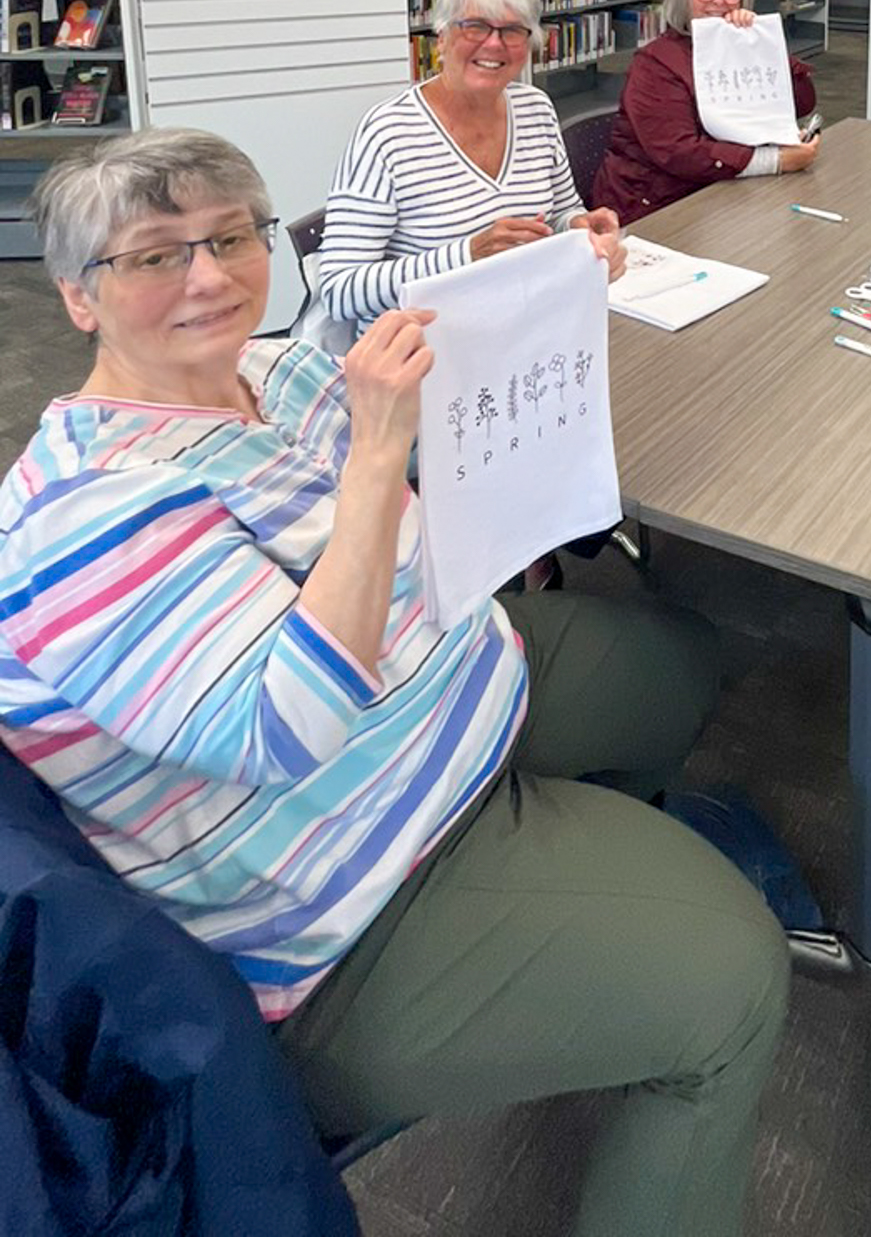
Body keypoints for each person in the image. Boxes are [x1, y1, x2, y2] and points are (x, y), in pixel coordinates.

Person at [0, 131, 789, 1237]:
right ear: (81, 298)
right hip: (345, 907)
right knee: (736, 981)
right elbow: (285, 727)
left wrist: (560, 279)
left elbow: (455, 410)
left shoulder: (272, 370)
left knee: (680, 661)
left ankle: (598, 911)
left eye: (231, 237)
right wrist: (376, 455)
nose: (209, 276)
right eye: (156, 255)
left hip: (455, 693)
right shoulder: (79, 521)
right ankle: (629, 965)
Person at [316, 0, 625, 336]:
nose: (494, 44)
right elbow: (339, 291)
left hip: (526, 327)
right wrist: (468, 255)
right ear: (442, 38)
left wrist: (578, 227)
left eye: (512, 30)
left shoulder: (536, 108)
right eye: (475, 26)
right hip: (423, 349)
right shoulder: (388, 133)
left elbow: (561, 210)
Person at [592, 0, 820, 226]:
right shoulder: (655, 63)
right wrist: (776, 160)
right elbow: (678, 152)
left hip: (723, 189)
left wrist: (763, 45)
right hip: (654, 203)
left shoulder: (740, 46)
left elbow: (803, 103)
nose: (719, 1)